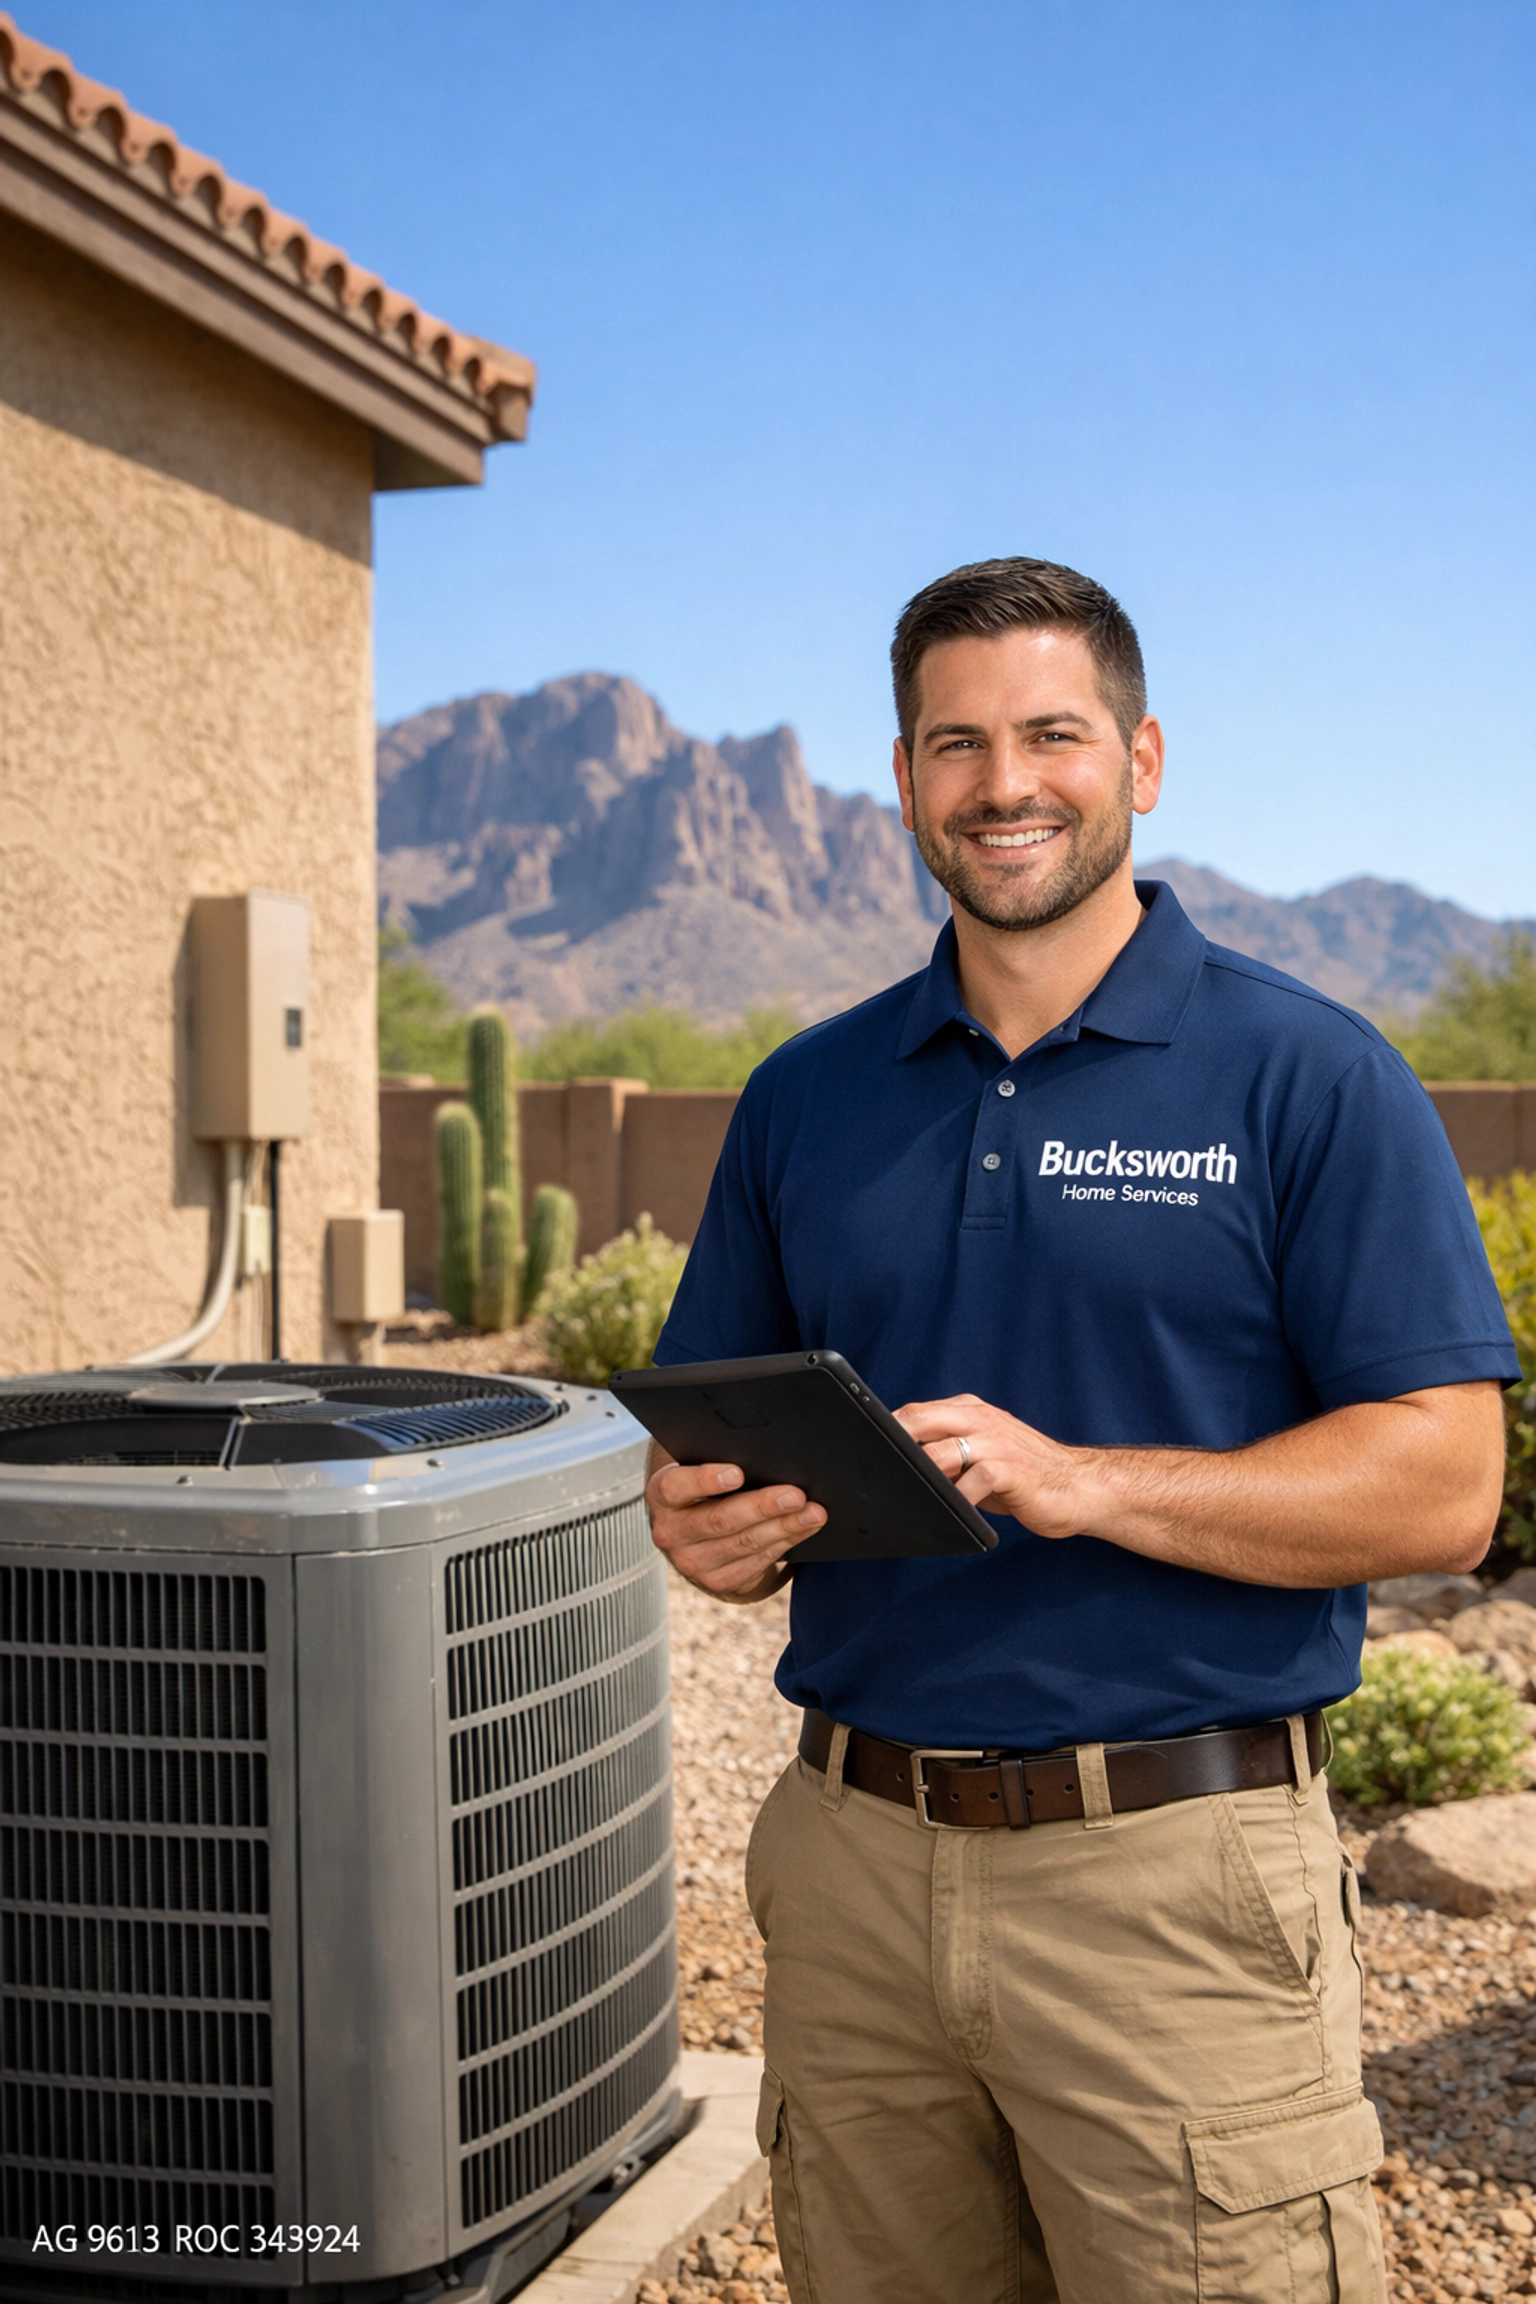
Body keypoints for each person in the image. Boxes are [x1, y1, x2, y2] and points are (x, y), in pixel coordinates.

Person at [644, 557, 1517, 2304]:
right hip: (854, 1876)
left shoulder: (1310, 1075)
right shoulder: (807, 1096)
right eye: (953, 744)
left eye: (1051, 732)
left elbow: (1448, 1481)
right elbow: (706, 1450)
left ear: (1143, 757)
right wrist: (706, 1531)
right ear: (902, 781)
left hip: (1177, 1888)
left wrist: (1086, 1480)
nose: (1002, 783)